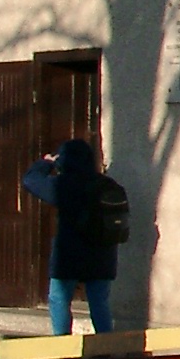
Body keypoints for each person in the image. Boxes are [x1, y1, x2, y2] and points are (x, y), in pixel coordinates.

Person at [22, 138, 116, 336]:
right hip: (103, 253)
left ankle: (63, 344)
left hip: (69, 253)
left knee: (59, 299)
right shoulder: (108, 185)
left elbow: (31, 180)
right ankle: (108, 345)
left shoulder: (63, 186)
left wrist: (47, 162)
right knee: (99, 302)